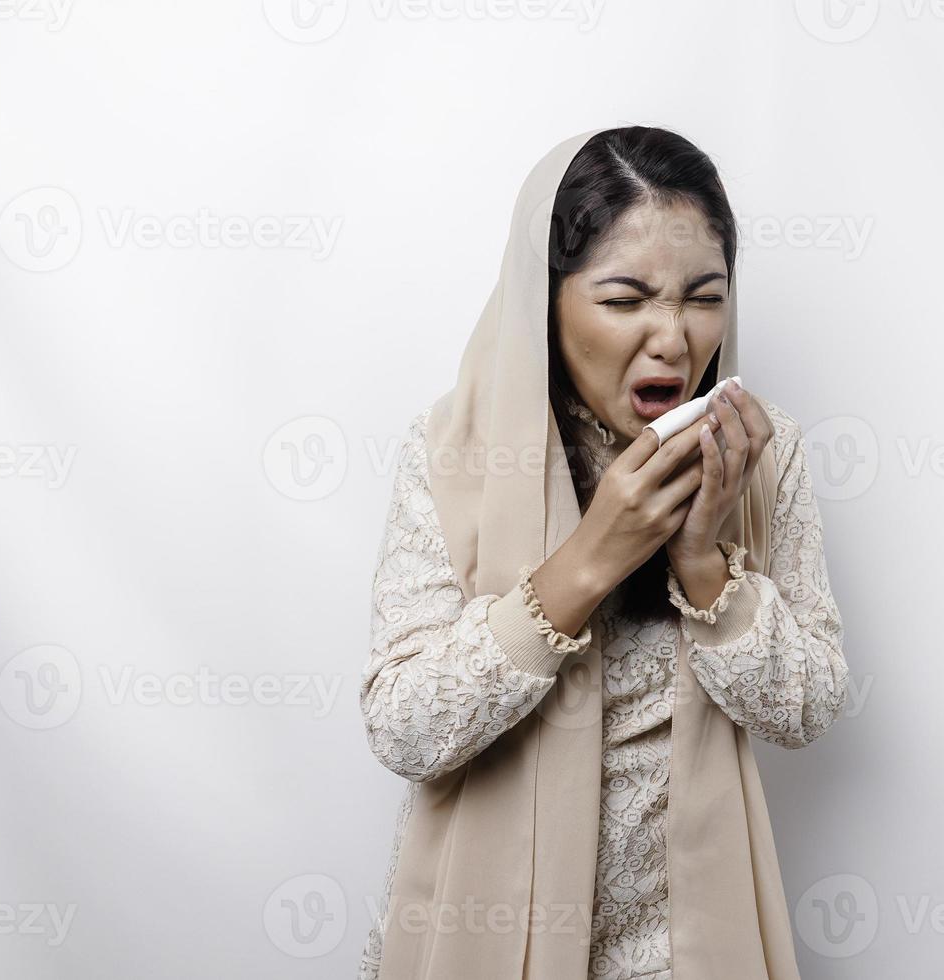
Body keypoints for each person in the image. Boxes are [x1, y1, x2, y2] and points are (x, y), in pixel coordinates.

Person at [358, 125, 850, 980]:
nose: (673, 339)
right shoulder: (452, 455)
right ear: (544, 300)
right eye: (625, 300)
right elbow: (405, 728)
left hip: (686, 942)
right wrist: (588, 560)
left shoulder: (761, 456)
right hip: (486, 928)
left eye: (704, 296)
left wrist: (705, 565)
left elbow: (806, 711)